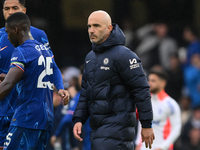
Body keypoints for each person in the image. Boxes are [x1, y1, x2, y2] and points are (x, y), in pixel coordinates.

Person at [72, 10, 155, 150]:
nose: (91, 30)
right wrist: (79, 119)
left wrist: (146, 125)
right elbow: (85, 93)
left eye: (96, 26)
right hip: (97, 130)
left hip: (118, 129)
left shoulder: (125, 55)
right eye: (89, 26)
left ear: (109, 28)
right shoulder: (90, 58)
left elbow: (141, 90)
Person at [0, 0, 69, 149]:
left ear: (24, 11)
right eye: (6, 8)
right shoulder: (38, 47)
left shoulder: (29, 43)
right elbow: (30, 71)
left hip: (24, 114)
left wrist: (60, 86)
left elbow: (9, 83)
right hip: (23, 112)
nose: (10, 12)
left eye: (15, 8)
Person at [135, 68, 181, 150]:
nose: (149, 83)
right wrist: (138, 144)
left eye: (153, 81)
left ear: (162, 83)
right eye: (149, 80)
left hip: (161, 147)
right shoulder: (144, 102)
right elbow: (140, 123)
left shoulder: (171, 104)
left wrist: (163, 147)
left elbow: (176, 129)